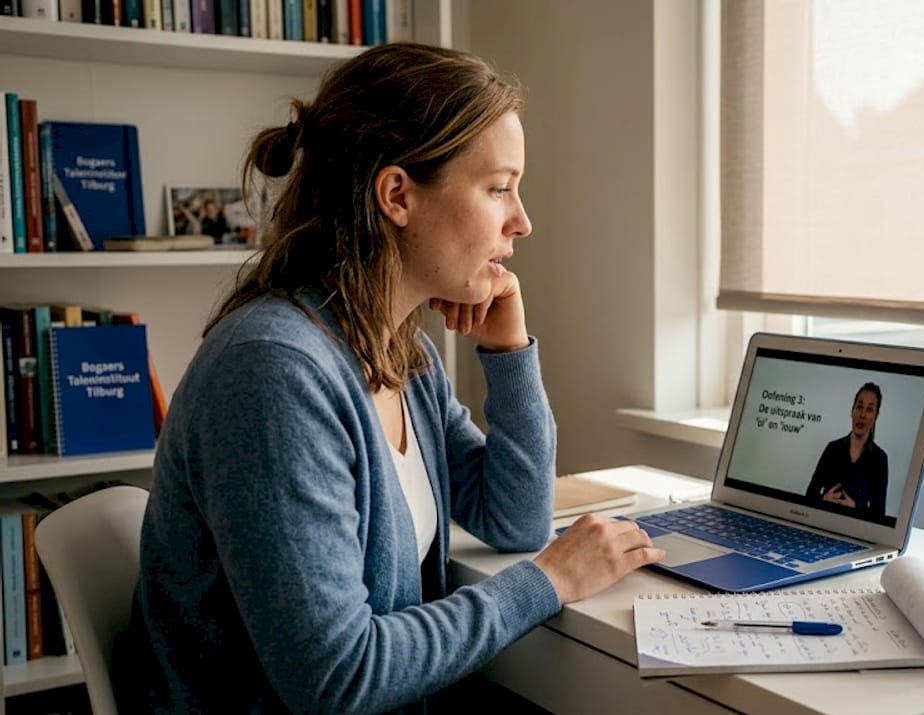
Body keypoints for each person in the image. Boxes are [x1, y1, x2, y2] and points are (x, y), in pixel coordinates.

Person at [114, 43, 665, 713]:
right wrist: (548, 580)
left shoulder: (399, 351)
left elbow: (515, 517)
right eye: (498, 188)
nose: (522, 221)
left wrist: (509, 352)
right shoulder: (273, 372)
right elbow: (337, 678)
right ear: (398, 195)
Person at [804, 382, 889, 517]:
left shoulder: (880, 459)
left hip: (854, 528)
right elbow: (809, 495)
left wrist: (856, 509)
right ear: (852, 410)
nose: (862, 414)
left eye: (869, 409)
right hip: (823, 520)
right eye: (859, 407)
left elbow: (879, 514)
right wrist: (824, 499)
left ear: (876, 416)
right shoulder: (832, 448)